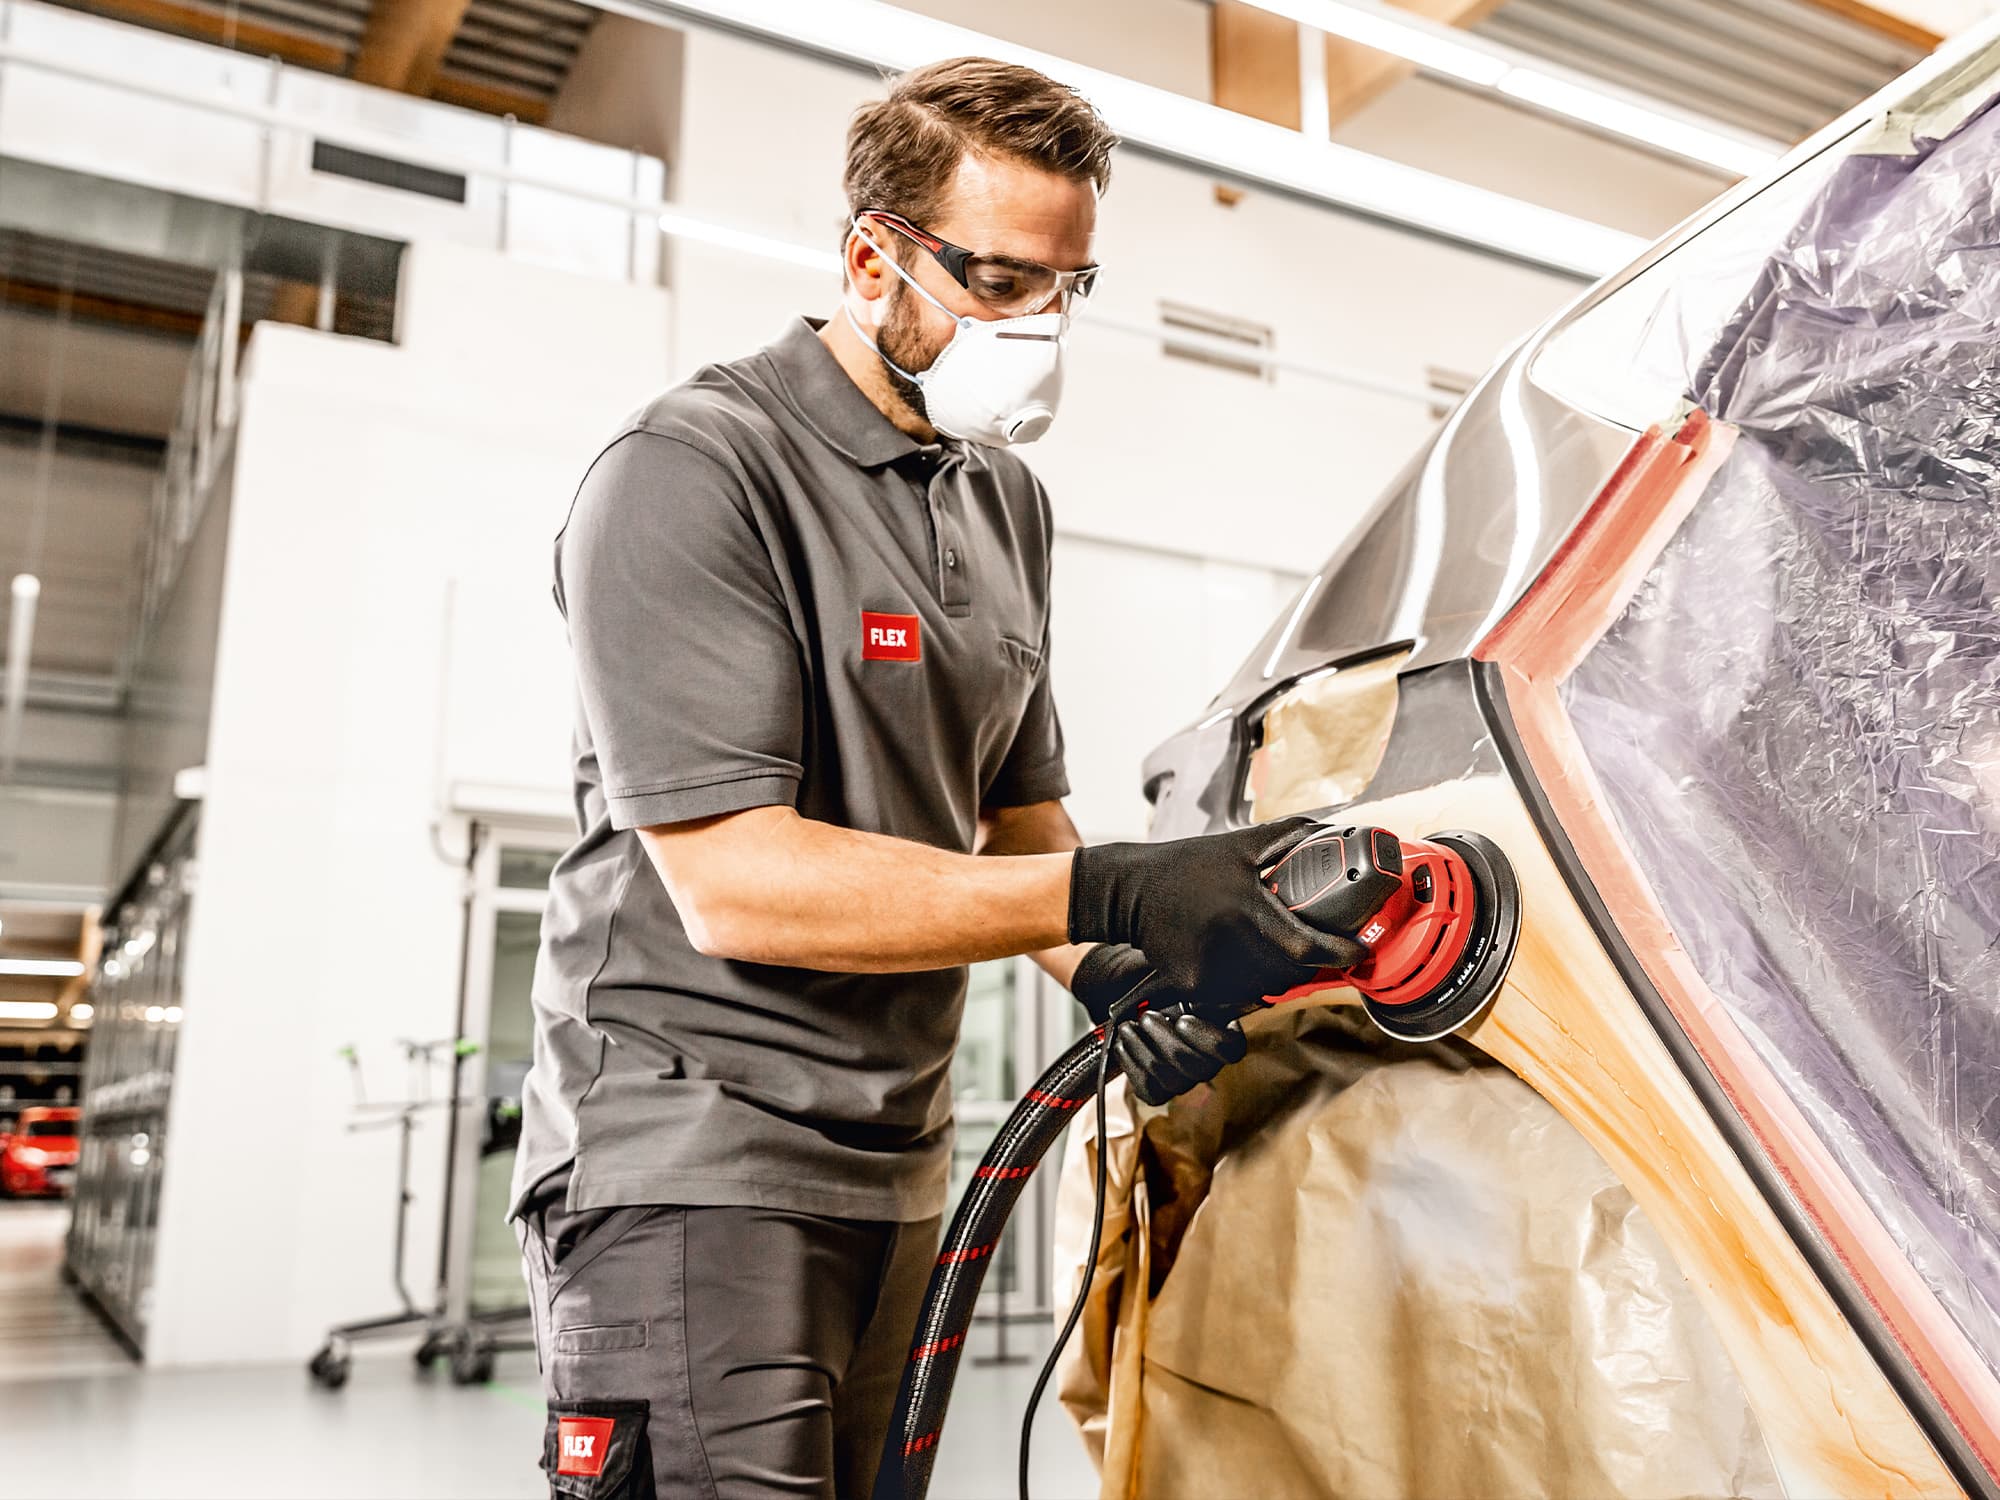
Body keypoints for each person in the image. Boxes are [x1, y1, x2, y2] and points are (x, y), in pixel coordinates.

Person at [510, 56, 1357, 1498]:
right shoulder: (694, 470)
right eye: (1003, 282)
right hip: (693, 1158)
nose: (1039, 326)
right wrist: (1119, 893)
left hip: (901, 1161)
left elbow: (1017, 820)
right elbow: (738, 885)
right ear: (871, 260)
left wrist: (1122, 976)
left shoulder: (1002, 502)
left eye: (1068, 287)